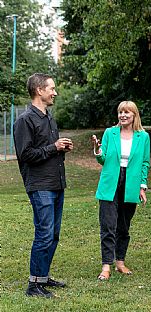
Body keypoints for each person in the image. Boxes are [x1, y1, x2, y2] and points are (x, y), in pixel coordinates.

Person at [13, 73, 73, 298]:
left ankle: (43, 277)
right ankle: (33, 285)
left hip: (56, 183)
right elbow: (26, 154)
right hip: (40, 186)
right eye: (52, 88)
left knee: (54, 234)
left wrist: (61, 148)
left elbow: (48, 150)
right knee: (44, 234)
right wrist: (54, 147)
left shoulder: (49, 118)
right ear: (39, 90)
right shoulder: (24, 121)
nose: (55, 92)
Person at [92, 100, 150, 281]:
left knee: (123, 227)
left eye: (127, 112)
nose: (123, 115)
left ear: (134, 115)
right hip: (110, 183)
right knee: (108, 226)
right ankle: (106, 266)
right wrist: (97, 150)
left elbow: (144, 163)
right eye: (120, 112)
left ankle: (120, 262)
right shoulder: (110, 133)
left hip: (130, 184)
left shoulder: (143, 136)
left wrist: (142, 186)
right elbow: (103, 159)